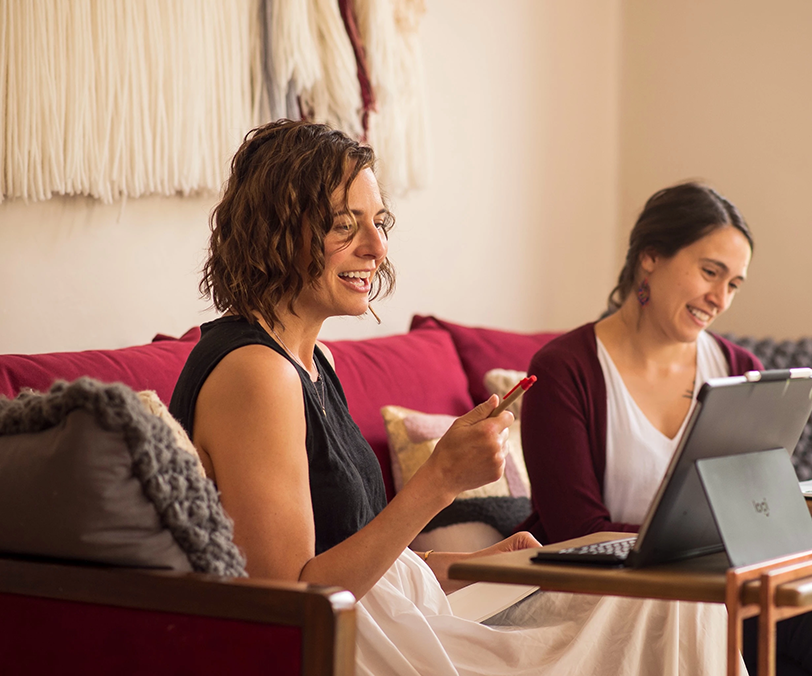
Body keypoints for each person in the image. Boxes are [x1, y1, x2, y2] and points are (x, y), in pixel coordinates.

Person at [169, 120, 744, 675]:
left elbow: (362, 559)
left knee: (674, 597)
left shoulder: (312, 361)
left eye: (380, 222)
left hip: (392, 618)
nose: (377, 247)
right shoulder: (256, 374)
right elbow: (290, 602)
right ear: (276, 229)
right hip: (351, 647)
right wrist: (438, 483)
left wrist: (473, 567)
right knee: (672, 607)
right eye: (346, 224)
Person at [518, 182, 812, 676]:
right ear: (650, 257)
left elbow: (761, 504)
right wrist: (718, 550)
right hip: (607, 595)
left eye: (734, 284)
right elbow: (577, 533)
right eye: (710, 272)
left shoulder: (739, 368)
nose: (719, 298)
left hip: (719, 586)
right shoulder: (565, 369)